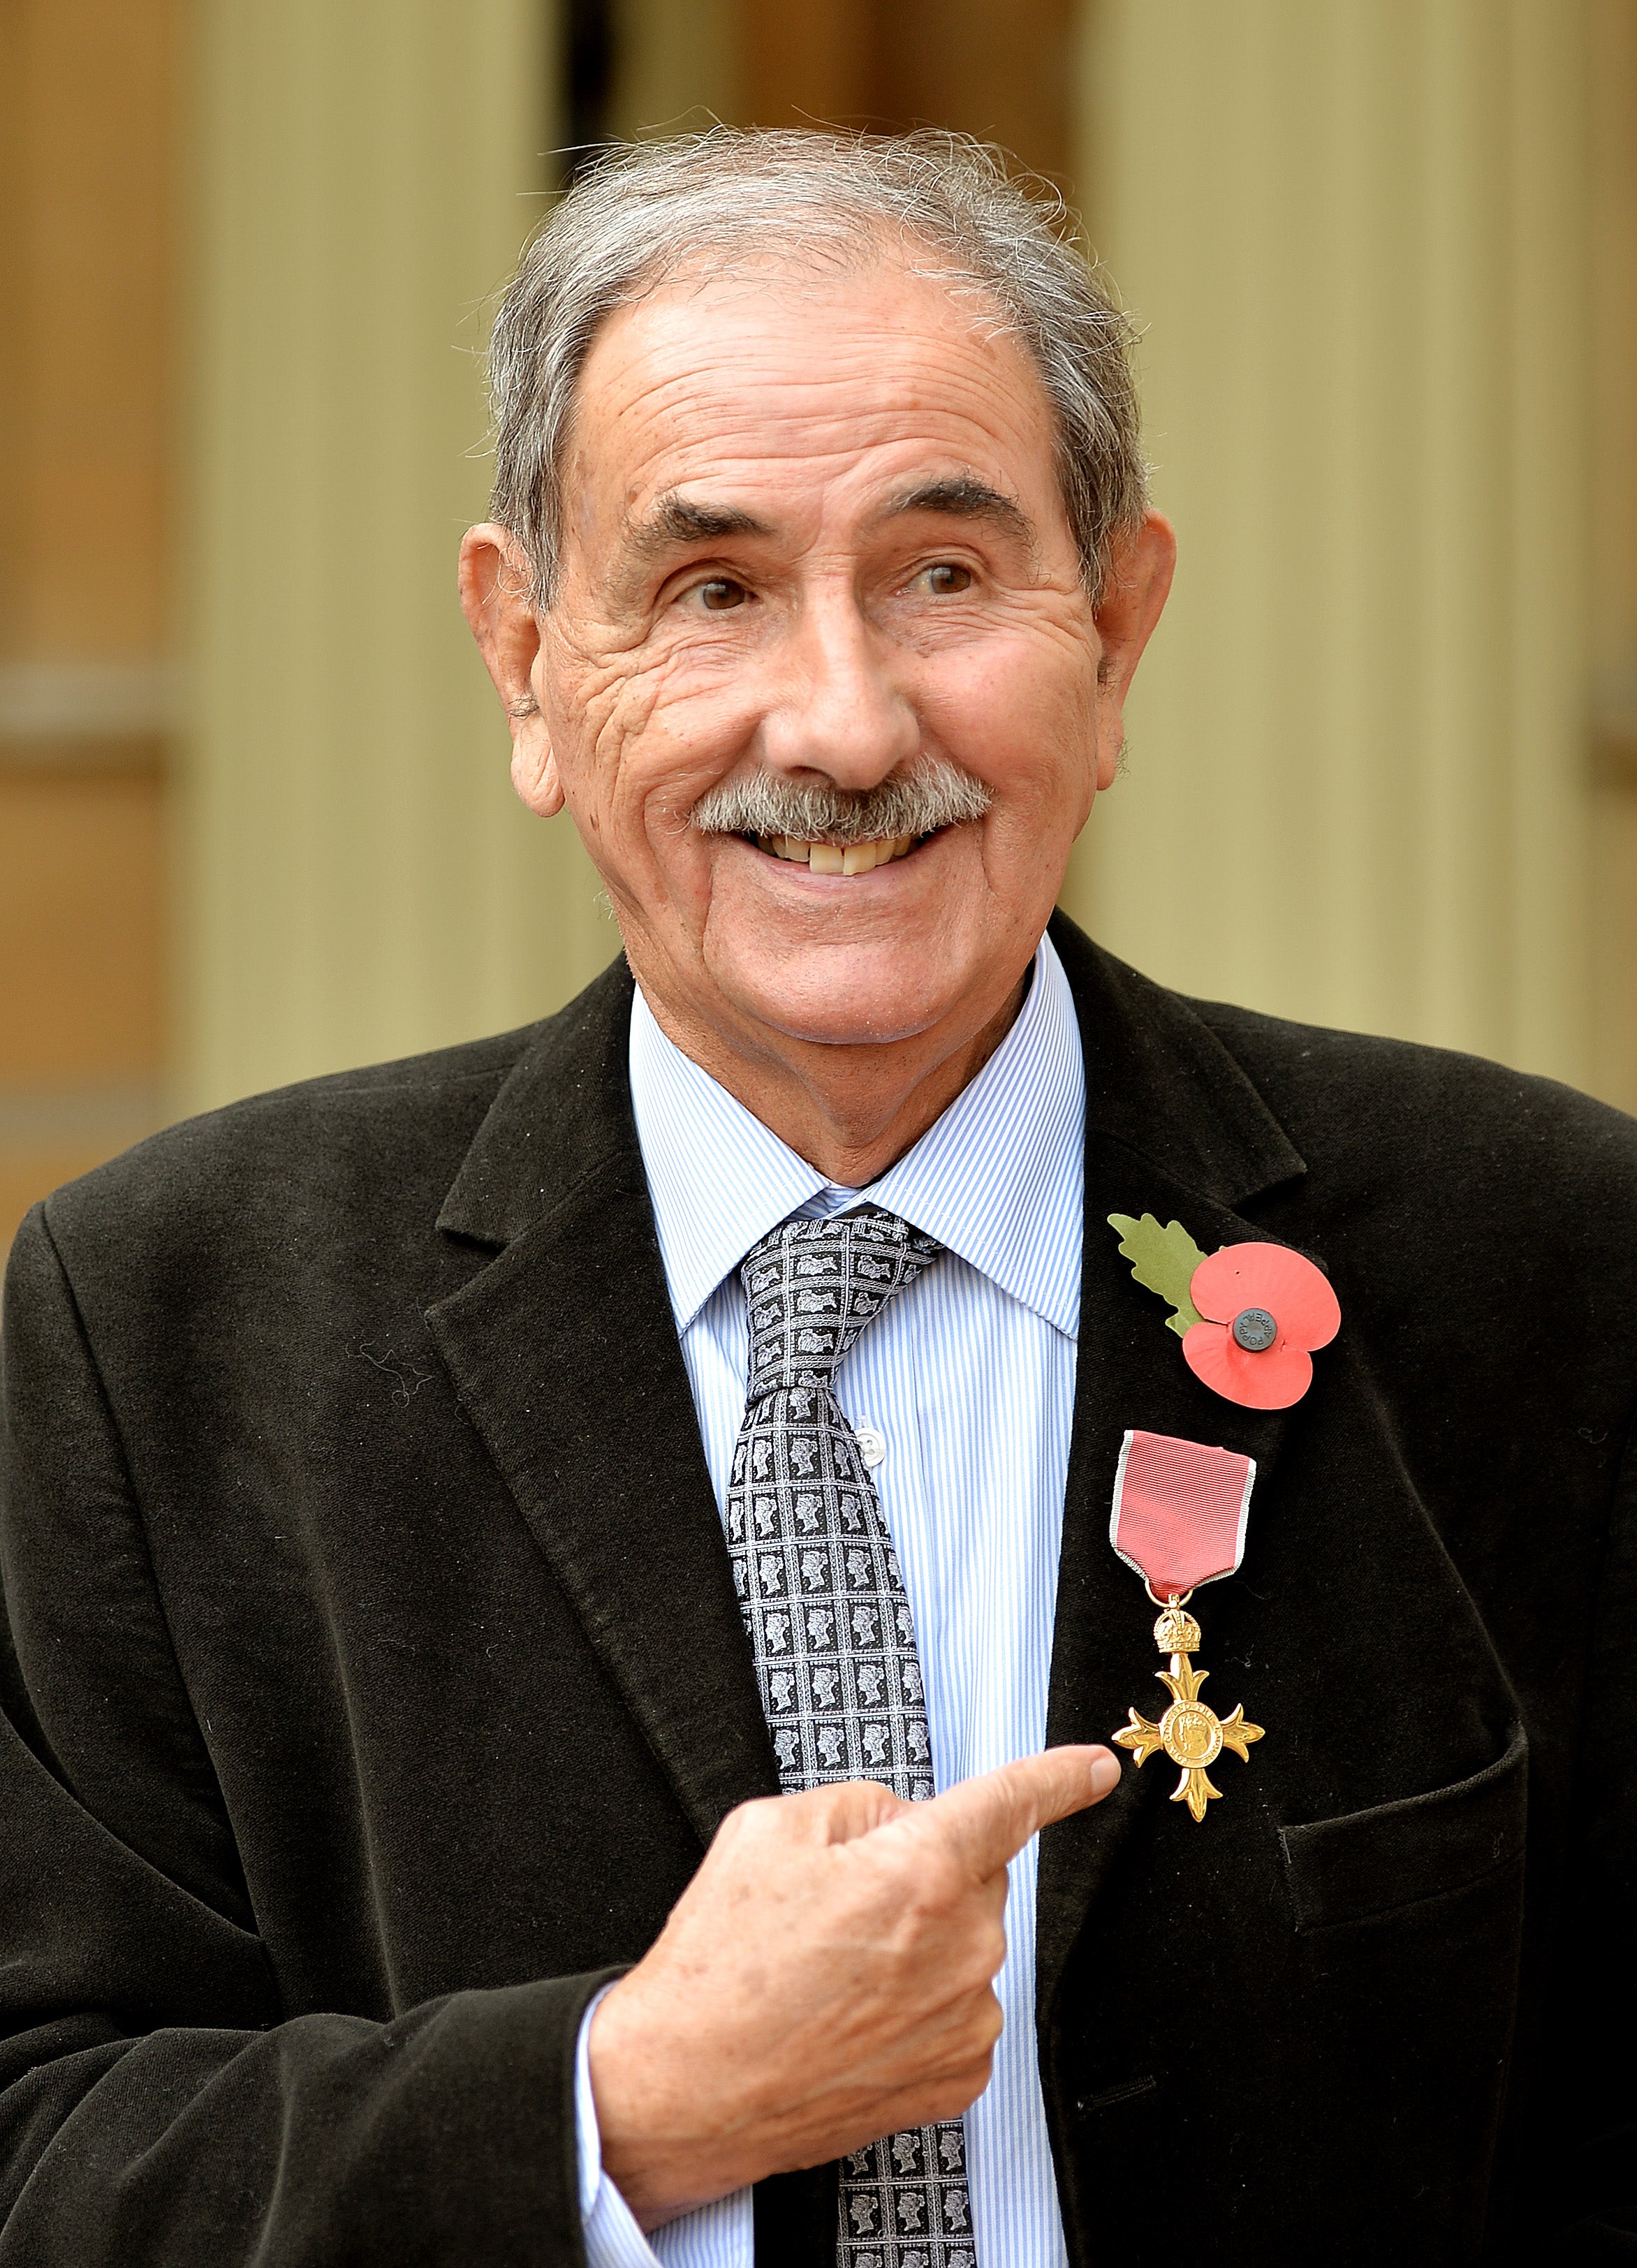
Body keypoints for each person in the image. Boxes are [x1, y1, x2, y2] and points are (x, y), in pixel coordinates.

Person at [0, 128, 1631, 2268]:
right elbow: (46, 2154)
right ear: (523, 660)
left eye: (947, 576)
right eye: (711, 590)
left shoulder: (1546, 1265)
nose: (848, 725)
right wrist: (621, 2108)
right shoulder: (168, 1330)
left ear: (1119, 632)